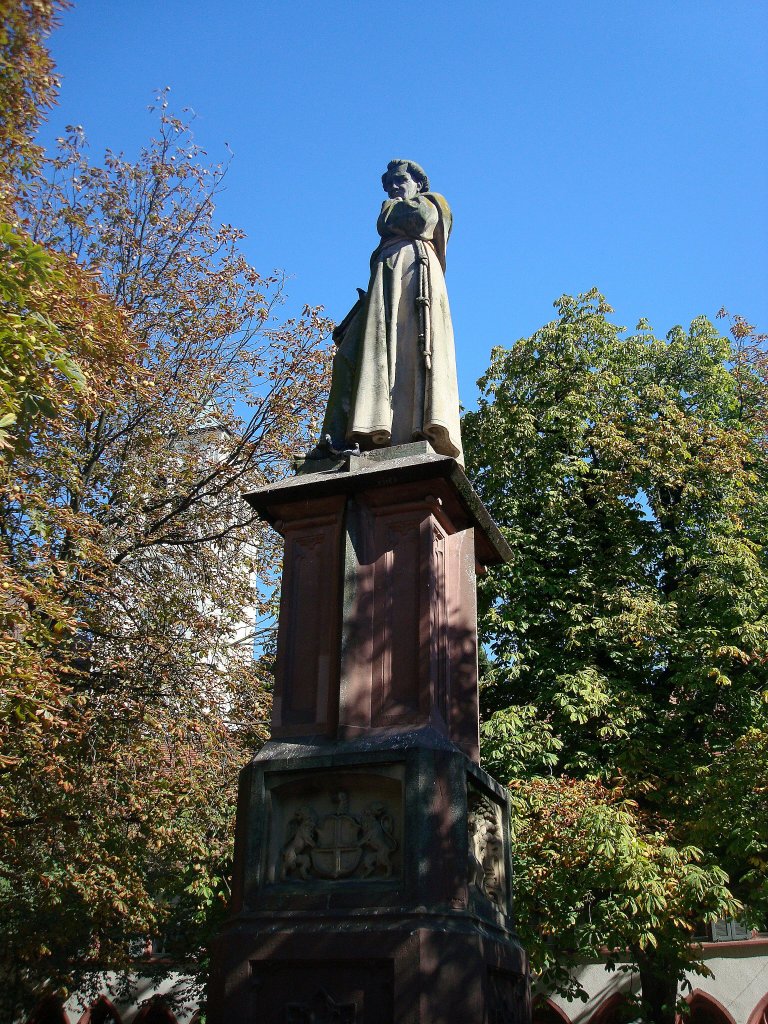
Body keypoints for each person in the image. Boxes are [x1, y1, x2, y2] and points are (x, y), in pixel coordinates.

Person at [313, 159, 463, 465]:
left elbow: (419, 219)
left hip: (412, 277)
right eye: (389, 184)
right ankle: (347, 437)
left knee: (408, 353)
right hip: (386, 286)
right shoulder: (391, 232)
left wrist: (390, 208)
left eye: (400, 180)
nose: (394, 188)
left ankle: (405, 432)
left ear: (419, 183)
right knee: (349, 357)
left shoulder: (435, 202)